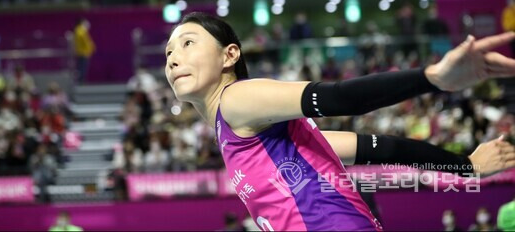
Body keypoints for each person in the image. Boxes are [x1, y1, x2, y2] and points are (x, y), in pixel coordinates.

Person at [164, 12, 515, 231]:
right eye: (169, 53)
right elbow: (379, 147)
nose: (173, 59)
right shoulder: (260, 139)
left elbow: (339, 97)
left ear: (230, 55)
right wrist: (464, 167)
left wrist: (432, 78)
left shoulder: (237, 100)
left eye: (187, 43)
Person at [73, 18, 95, 83]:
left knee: (81, 67)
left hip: (82, 52)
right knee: (82, 68)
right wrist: (90, 47)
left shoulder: (80, 30)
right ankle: (81, 81)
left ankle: (81, 80)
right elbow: (85, 41)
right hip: (82, 52)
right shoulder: (80, 30)